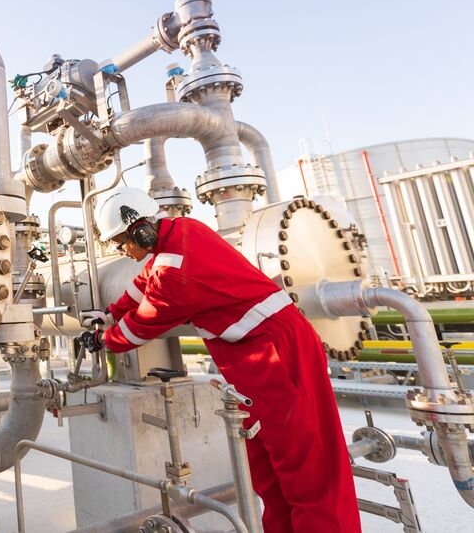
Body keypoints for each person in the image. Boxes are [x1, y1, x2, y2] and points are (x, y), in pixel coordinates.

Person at [78, 187, 360, 533]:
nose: (123, 250)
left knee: (309, 466)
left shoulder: (172, 274)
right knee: (269, 469)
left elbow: (138, 329)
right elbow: (142, 283)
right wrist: (109, 313)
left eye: (122, 242)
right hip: (252, 357)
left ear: (141, 230)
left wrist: (102, 339)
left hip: (276, 352)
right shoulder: (181, 232)